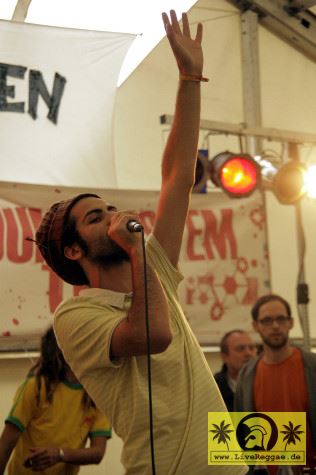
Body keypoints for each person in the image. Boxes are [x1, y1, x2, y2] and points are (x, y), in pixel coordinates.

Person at [34, 10, 248, 475]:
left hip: (229, 465)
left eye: (110, 209)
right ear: (74, 251)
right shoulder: (76, 315)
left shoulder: (152, 269)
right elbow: (154, 335)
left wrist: (190, 78)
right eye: (96, 218)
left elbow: (176, 178)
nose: (113, 217)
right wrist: (135, 250)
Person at [0, 326, 111, 475]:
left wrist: (60, 454)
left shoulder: (97, 394)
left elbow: (97, 453)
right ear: (59, 348)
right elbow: (6, 445)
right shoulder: (37, 387)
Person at [235, 293, 316, 475]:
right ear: (255, 326)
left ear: (291, 322)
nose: (275, 326)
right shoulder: (246, 376)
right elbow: (241, 435)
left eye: (281, 319)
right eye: (267, 320)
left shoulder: (312, 367)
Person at [214, 329, 257, 411]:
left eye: (251, 348)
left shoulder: (266, 382)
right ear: (225, 356)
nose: (248, 353)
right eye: (240, 349)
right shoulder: (214, 388)